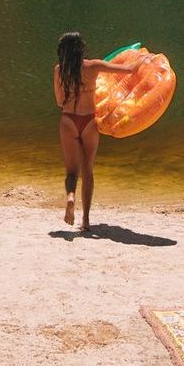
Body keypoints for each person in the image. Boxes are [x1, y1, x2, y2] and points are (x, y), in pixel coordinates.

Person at [53, 32, 134, 233]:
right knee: (87, 171)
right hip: (89, 121)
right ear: (82, 48)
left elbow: (58, 100)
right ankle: (86, 221)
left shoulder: (59, 70)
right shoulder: (94, 66)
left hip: (68, 120)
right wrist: (139, 59)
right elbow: (128, 70)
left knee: (72, 171)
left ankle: (70, 197)